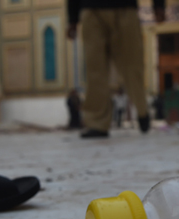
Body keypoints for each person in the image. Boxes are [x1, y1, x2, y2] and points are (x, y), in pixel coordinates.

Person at [67, 0, 165, 139]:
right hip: (91, 9)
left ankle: (142, 111)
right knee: (95, 69)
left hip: (124, 8)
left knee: (132, 65)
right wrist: (72, 19)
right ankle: (97, 123)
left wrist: (159, 5)